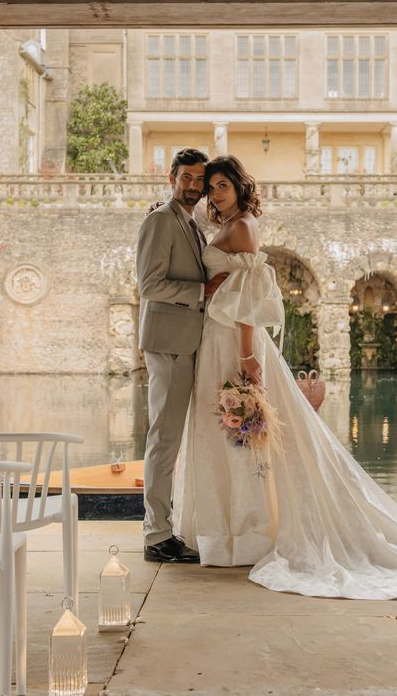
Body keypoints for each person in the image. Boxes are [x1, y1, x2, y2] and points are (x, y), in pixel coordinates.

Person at [172, 155, 397, 598]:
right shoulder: (225, 222)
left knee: (239, 433)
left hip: (232, 341)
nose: (215, 193)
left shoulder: (241, 228)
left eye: (224, 185)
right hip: (215, 336)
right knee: (222, 432)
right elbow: (192, 214)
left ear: (241, 188)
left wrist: (247, 356)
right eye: (212, 187)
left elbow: (248, 298)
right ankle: (224, 527)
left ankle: (246, 530)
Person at [136, 148, 228, 563]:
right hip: (169, 344)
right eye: (186, 178)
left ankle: (168, 525)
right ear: (171, 176)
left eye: (199, 181)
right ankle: (156, 536)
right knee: (164, 439)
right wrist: (201, 293)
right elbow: (150, 285)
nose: (193, 187)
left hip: (187, 342)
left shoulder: (190, 222)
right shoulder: (158, 221)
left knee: (171, 439)